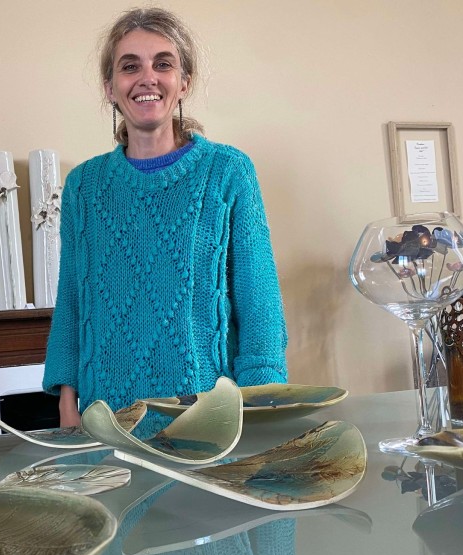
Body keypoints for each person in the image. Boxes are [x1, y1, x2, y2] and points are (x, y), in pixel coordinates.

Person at [43, 7, 287, 426]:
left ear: (184, 82)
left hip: (207, 421)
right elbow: (71, 301)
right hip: (107, 421)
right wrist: (68, 403)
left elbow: (259, 305)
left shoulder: (227, 172)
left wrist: (260, 407)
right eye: (130, 66)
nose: (147, 78)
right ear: (110, 87)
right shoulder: (83, 185)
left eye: (163, 64)